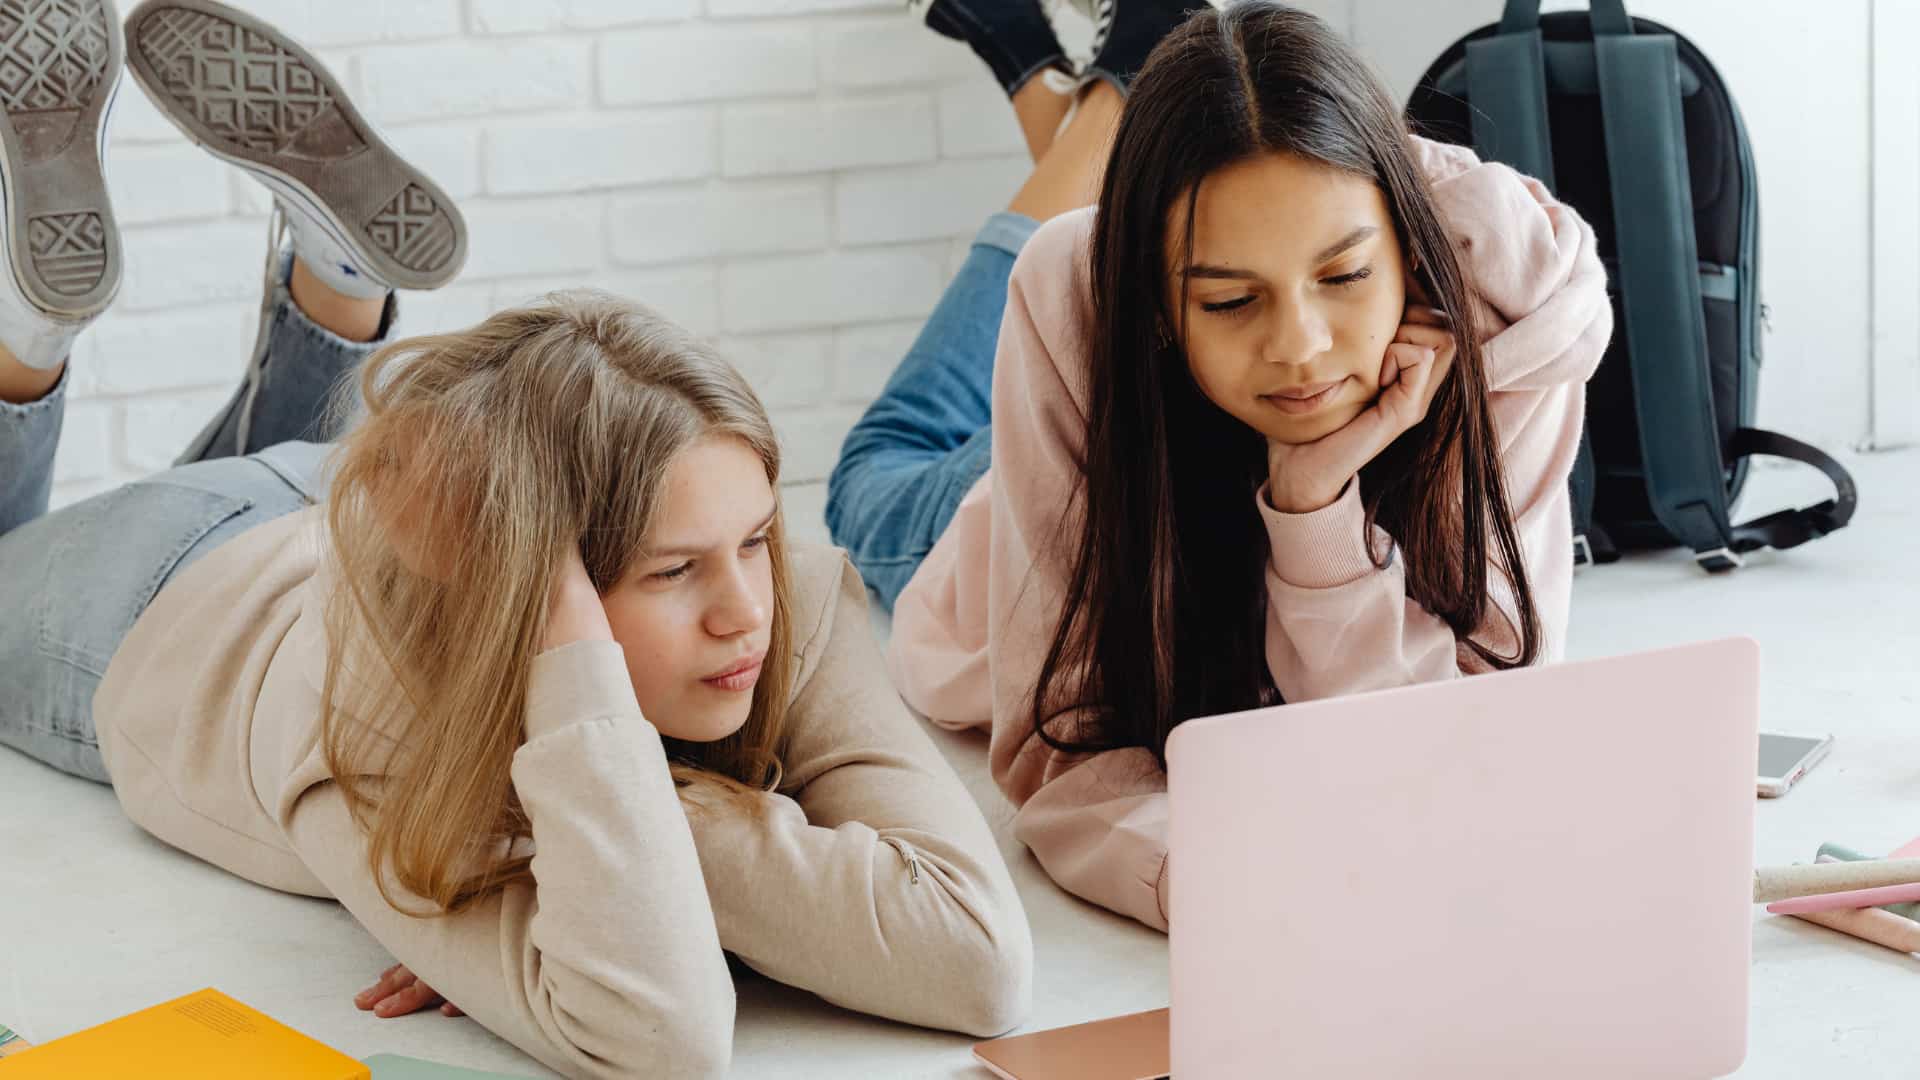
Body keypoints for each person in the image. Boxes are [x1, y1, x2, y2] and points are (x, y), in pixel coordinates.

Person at [0, 2, 1030, 1076]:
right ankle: (31, 336)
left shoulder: (782, 597)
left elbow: (978, 967)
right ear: (539, 583)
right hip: (157, 593)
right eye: (672, 570)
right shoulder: (378, 719)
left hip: (351, 493)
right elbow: (663, 1039)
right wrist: (596, 835)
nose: (745, 611)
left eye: (758, 538)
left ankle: (334, 283)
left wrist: (596, 841)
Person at [827, 0, 1610, 932]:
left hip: (1172, 367)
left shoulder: (1503, 316)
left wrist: (1314, 505)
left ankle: (1082, 77)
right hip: (1064, 481)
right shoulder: (1078, 300)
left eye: (1347, 277)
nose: (1304, 349)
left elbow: (1453, 750)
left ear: (1405, 247)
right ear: (1162, 307)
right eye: (1233, 300)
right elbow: (1066, 759)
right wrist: (1233, 891)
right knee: (872, 477)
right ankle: (1083, 78)